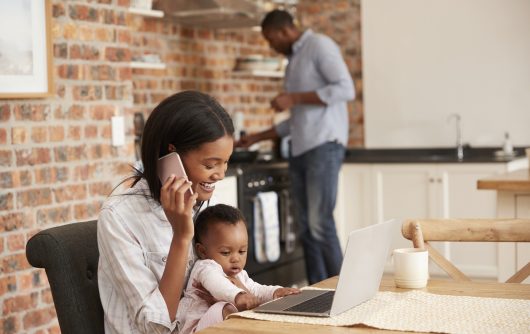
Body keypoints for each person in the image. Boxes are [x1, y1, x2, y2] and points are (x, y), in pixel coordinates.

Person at [97, 90, 235, 334]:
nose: (220, 174)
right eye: (210, 164)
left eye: (225, 162)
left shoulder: (198, 205)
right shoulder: (119, 217)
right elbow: (155, 327)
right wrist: (181, 237)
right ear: (172, 154)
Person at [237, 10, 355, 284]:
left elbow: (345, 89)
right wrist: (256, 137)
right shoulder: (294, 61)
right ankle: (318, 291)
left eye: (270, 39)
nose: (271, 46)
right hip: (302, 150)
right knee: (306, 228)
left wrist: (294, 97)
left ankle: (345, 289)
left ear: (283, 31)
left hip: (324, 146)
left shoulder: (319, 46)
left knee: (319, 223)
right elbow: (298, 118)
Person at [176, 204, 300, 333]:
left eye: (242, 251)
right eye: (225, 252)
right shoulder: (205, 267)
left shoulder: (239, 274)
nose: (236, 259)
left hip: (221, 327)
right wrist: (238, 296)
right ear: (202, 251)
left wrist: (276, 292)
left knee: (248, 308)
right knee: (224, 307)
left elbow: (256, 290)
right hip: (195, 329)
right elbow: (217, 284)